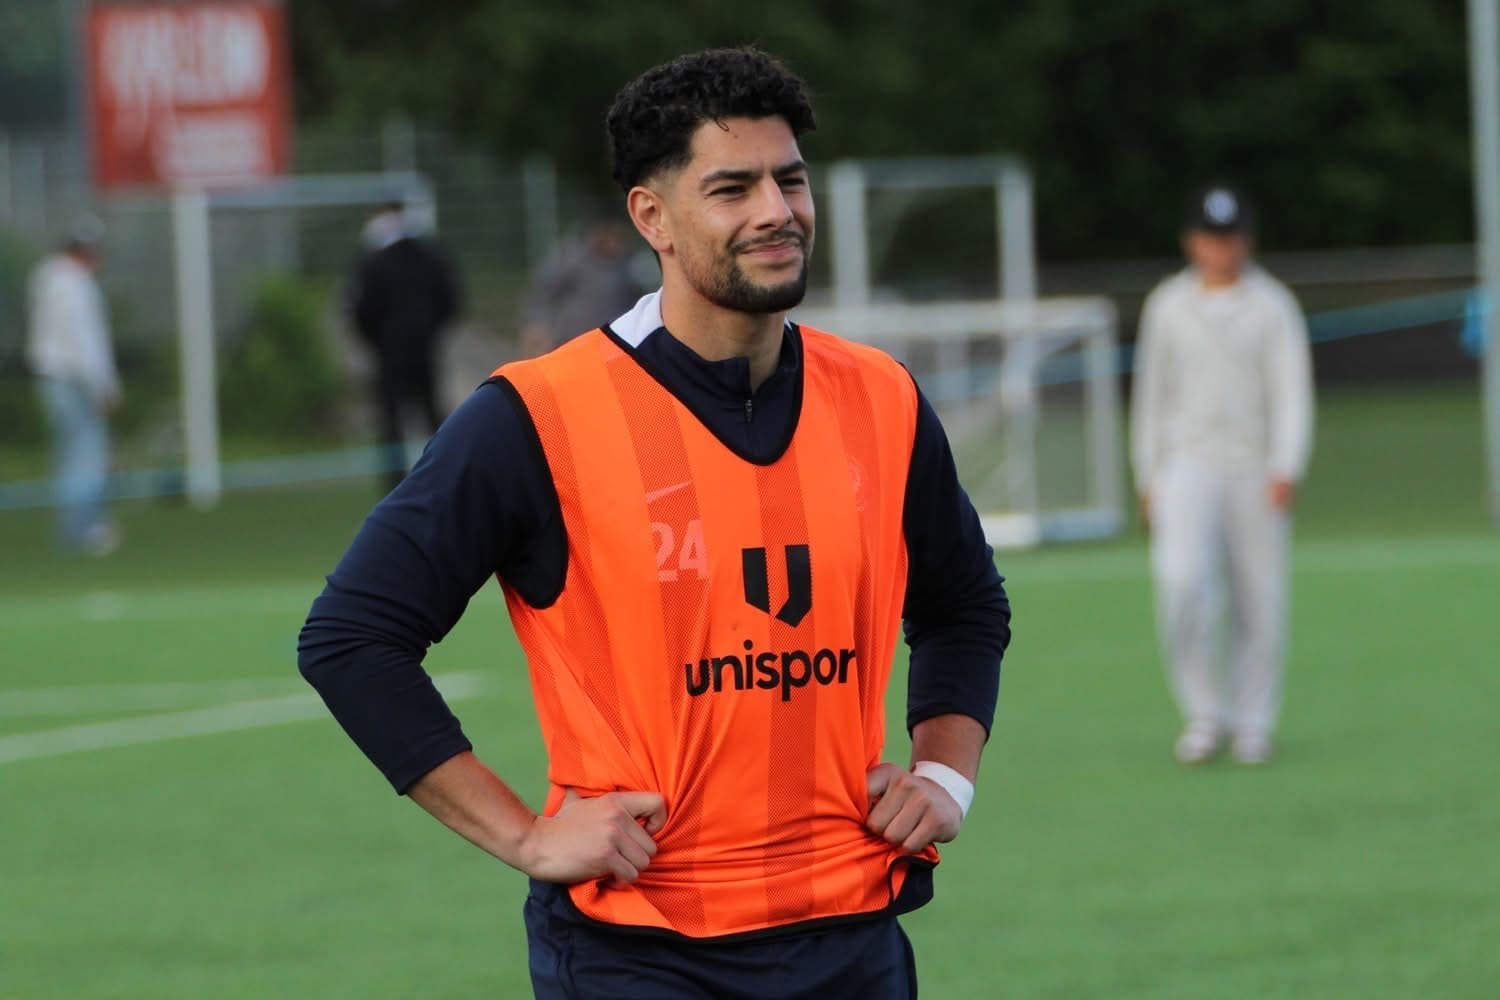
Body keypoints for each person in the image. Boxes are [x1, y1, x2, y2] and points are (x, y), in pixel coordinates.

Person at [299, 47, 1009, 998]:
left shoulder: (881, 397)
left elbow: (964, 603)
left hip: (852, 933)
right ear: (652, 216)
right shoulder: (536, 416)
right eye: (733, 188)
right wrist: (523, 834)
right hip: (637, 948)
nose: (776, 212)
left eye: (789, 180)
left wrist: (945, 777)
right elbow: (352, 637)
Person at [1130, 185, 1315, 766]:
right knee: (1182, 586)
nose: (1221, 248)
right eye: (1211, 237)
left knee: (1259, 597)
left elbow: (1291, 391)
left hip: (1254, 465)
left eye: (1231, 237)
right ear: (1192, 241)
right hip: (1187, 464)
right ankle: (1205, 715)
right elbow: (1150, 394)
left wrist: (1287, 463)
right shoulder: (1167, 304)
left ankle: (1253, 720)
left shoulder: (1272, 304)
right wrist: (1148, 474)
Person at [346, 200, 461, 493]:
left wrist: (378, 340)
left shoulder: (372, 262)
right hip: (423, 349)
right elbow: (451, 301)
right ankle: (446, 476)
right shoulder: (431, 256)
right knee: (431, 416)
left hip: (391, 353)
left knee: (393, 421)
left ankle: (397, 486)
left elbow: (362, 309)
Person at [27, 216, 121, 555]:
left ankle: (74, 527)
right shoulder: (75, 283)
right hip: (74, 379)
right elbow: (85, 340)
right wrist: (101, 385)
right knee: (87, 456)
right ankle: (82, 529)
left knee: (69, 455)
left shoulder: (46, 276)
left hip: (51, 378)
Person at [518, 219, 651, 356]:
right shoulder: (571, 260)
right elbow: (544, 294)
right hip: (572, 339)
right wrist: (538, 325)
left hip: (611, 342)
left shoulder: (628, 266)